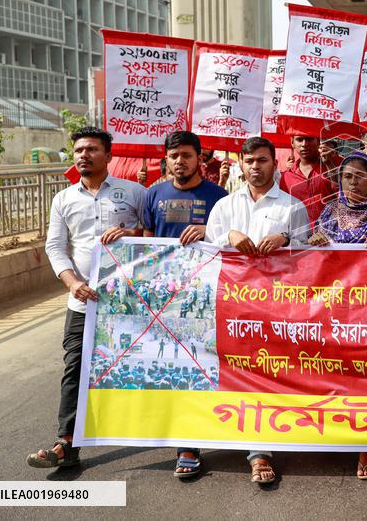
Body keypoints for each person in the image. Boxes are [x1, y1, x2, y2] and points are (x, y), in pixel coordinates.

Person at [29, 127, 145, 470]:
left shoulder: (135, 192)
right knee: (75, 369)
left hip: (131, 300)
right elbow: (54, 246)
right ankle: (66, 442)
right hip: (84, 302)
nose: (83, 155)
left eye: (92, 149)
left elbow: (153, 235)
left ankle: (160, 433)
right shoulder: (63, 199)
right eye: (79, 149)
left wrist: (131, 232)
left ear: (109, 156)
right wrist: (71, 282)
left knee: (138, 365)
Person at [205, 136, 310, 485]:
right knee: (240, 378)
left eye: (262, 160)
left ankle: (274, 440)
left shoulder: (293, 208)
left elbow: (313, 258)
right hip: (233, 310)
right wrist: (229, 237)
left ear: (274, 164)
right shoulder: (223, 208)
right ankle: (257, 451)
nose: (255, 166)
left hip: (278, 310)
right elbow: (206, 252)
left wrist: (287, 240)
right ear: (240, 163)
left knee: (271, 375)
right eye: (249, 160)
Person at [138, 131, 227, 478]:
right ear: (166, 159)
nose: (180, 161)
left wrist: (208, 230)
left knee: (206, 367)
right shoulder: (153, 195)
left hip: (206, 297)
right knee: (176, 370)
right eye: (174, 155)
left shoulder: (220, 198)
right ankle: (187, 445)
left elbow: (230, 241)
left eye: (187, 155)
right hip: (164, 298)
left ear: (199, 159)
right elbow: (144, 245)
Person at [308, 152, 367, 480]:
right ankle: (335, 435)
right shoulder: (329, 213)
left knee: (364, 375)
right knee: (333, 372)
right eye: (347, 176)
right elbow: (315, 257)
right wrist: (315, 243)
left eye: (360, 176)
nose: (353, 182)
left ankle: (366, 444)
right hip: (333, 307)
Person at [279, 134, 338, 225]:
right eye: (299, 140)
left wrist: (330, 165)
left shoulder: (334, 165)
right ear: (292, 143)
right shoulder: (286, 177)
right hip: (298, 235)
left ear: (318, 141)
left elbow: (344, 196)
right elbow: (283, 210)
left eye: (309, 139)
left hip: (331, 232)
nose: (304, 144)